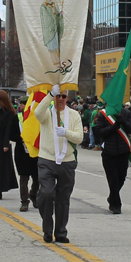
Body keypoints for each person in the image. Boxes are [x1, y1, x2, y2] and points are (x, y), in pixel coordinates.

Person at [35, 85, 83, 243]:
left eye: (63, 96)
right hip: (47, 159)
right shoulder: (48, 113)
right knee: (47, 194)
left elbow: (79, 138)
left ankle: (61, 232)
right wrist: (49, 95)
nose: (60, 99)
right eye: (58, 96)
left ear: (67, 98)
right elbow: (37, 113)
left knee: (63, 199)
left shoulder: (74, 115)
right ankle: (47, 228)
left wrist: (66, 133)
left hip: (67, 161)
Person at [94, 105, 131, 214]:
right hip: (109, 151)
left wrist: (123, 121)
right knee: (113, 179)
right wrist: (114, 126)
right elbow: (99, 132)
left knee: (121, 178)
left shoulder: (126, 113)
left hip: (123, 151)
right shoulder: (103, 114)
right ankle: (116, 205)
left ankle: (112, 197)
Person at [14, 96, 39, 211]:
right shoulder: (17, 117)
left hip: (34, 151)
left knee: (37, 177)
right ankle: (24, 201)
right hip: (21, 151)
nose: (21, 106)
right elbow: (11, 134)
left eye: (23, 104)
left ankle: (33, 195)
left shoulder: (36, 117)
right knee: (24, 178)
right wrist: (21, 139)